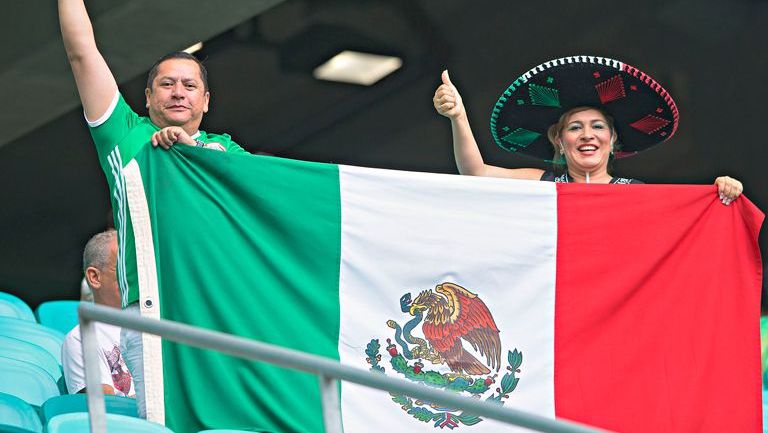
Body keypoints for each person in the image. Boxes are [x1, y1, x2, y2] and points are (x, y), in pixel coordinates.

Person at [58, 0, 250, 417]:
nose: (178, 91)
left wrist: (192, 150)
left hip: (219, 308)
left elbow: (271, 196)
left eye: (189, 85)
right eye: (166, 84)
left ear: (206, 101)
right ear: (147, 98)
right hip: (150, 314)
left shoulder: (227, 150)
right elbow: (81, 52)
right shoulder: (123, 136)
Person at [433, 55, 743, 204]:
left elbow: (687, 219)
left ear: (613, 139)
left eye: (597, 126)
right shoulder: (545, 182)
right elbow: (477, 173)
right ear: (559, 140)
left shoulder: (637, 194)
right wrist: (458, 116)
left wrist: (721, 192)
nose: (587, 135)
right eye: (575, 128)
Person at [62, 230, 134, 397]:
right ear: (94, 277)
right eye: (124, 269)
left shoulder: (158, 325)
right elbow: (108, 407)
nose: (134, 278)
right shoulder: (81, 339)